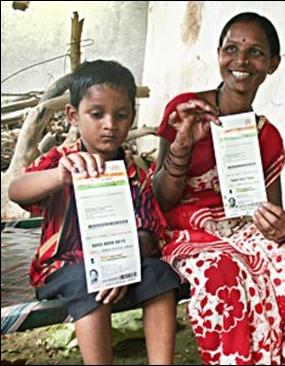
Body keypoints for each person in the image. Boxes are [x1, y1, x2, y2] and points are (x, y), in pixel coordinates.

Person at [152, 12, 285, 365]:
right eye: (231, 49)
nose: (241, 61)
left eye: (255, 52)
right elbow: (160, 199)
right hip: (185, 229)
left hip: (242, 229)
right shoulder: (186, 109)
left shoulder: (267, 135)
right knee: (225, 269)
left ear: (273, 64)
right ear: (219, 53)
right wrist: (182, 146)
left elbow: (272, 216)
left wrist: (280, 226)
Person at [8, 60, 180, 365]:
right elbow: (17, 191)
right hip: (63, 268)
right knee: (91, 284)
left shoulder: (134, 173)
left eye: (121, 115)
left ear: (132, 117)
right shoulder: (62, 160)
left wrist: (120, 264)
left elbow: (150, 232)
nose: (110, 124)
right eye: (97, 114)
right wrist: (58, 176)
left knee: (161, 275)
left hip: (123, 266)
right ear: (73, 116)